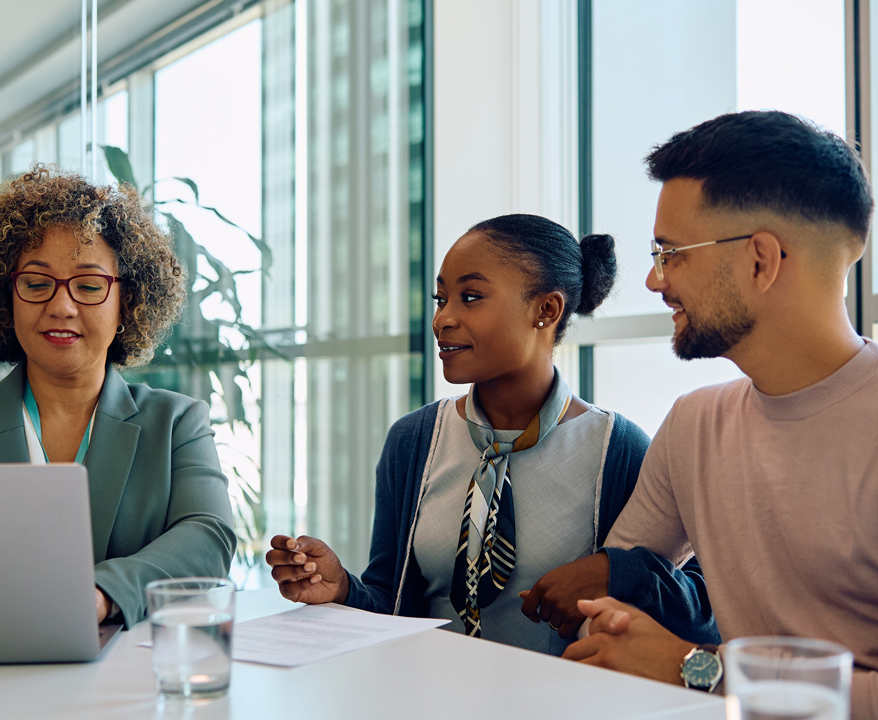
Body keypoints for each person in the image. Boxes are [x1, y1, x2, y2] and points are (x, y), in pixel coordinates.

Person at [535, 111, 878, 718]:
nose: (654, 279)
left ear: (761, 260)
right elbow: (612, 619)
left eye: (671, 253)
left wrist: (693, 668)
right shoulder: (695, 426)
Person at [265, 214, 717, 656]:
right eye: (441, 299)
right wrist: (342, 588)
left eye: (471, 296)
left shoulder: (617, 450)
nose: (443, 319)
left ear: (546, 310)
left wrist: (616, 573)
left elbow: (702, 606)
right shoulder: (413, 441)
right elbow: (392, 605)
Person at [0, 167, 236, 628]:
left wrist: (102, 594)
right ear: (3, 297)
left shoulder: (176, 423)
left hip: (126, 680)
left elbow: (207, 536)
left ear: (126, 304)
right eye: (36, 283)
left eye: (89, 286)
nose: (62, 306)